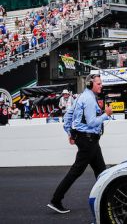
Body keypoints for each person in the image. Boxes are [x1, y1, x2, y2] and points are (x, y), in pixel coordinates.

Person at [48, 74, 113, 214]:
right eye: (99, 84)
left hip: (88, 140)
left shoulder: (81, 97)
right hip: (88, 141)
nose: (101, 86)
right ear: (90, 84)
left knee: (101, 172)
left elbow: (68, 116)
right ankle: (56, 200)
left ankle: (108, 199)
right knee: (77, 171)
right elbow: (91, 122)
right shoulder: (89, 99)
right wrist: (106, 114)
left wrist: (70, 133)